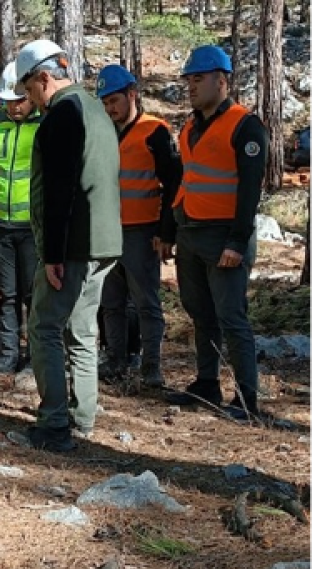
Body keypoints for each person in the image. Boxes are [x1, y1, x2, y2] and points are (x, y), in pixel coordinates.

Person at [5, 39, 122, 452]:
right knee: (83, 329)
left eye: (29, 90)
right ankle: (83, 416)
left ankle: (54, 423)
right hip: (106, 242)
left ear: (44, 77)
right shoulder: (97, 110)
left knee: (45, 327)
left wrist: (52, 254)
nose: (29, 100)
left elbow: (60, 189)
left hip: (73, 245)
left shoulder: (63, 114)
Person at [161, 45, 268, 422]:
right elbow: (186, 181)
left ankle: (246, 398)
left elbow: (250, 190)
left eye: (198, 78)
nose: (191, 86)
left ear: (221, 80)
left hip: (225, 238)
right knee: (200, 312)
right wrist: (170, 231)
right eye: (189, 79)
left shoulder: (245, 126)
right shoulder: (190, 126)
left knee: (231, 317)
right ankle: (207, 382)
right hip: (191, 233)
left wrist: (237, 243)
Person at [96, 63, 183, 389]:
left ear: (132, 94)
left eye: (114, 101)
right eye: (105, 103)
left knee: (146, 302)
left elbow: (173, 183)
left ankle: (151, 368)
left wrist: (165, 233)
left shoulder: (154, 131)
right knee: (111, 302)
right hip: (107, 232)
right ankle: (116, 360)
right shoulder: (104, 132)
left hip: (142, 232)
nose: (110, 108)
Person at [0, 61, 42, 373]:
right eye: (8, 102)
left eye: (20, 101)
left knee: (32, 294)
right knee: (8, 293)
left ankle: (35, 355)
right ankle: (9, 353)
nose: (14, 108)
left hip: (32, 226)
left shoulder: (46, 126)